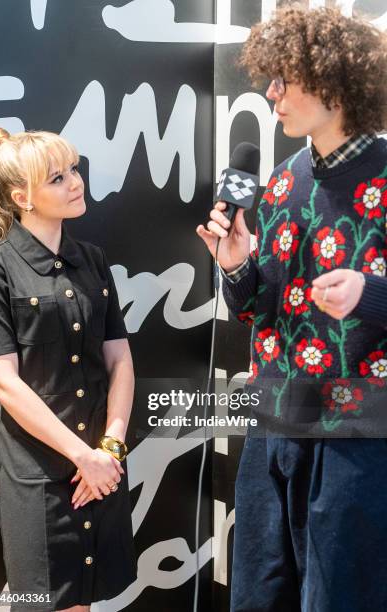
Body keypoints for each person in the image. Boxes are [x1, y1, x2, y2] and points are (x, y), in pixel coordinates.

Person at [197, 5, 387, 612]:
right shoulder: (279, 183)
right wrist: (235, 267)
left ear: (334, 79)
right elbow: (262, 307)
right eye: (269, 77)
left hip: (359, 432)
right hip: (274, 421)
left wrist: (370, 294)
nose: (271, 92)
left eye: (285, 77)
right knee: (260, 593)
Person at [0, 128, 136, 611]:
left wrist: (108, 449)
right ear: (21, 196)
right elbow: (4, 382)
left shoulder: (92, 260)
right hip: (40, 477)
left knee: (85, 602)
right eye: (58, 177)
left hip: (102, 468)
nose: (76, 182)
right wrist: (80, 456)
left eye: (74, 170)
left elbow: (120, 361)